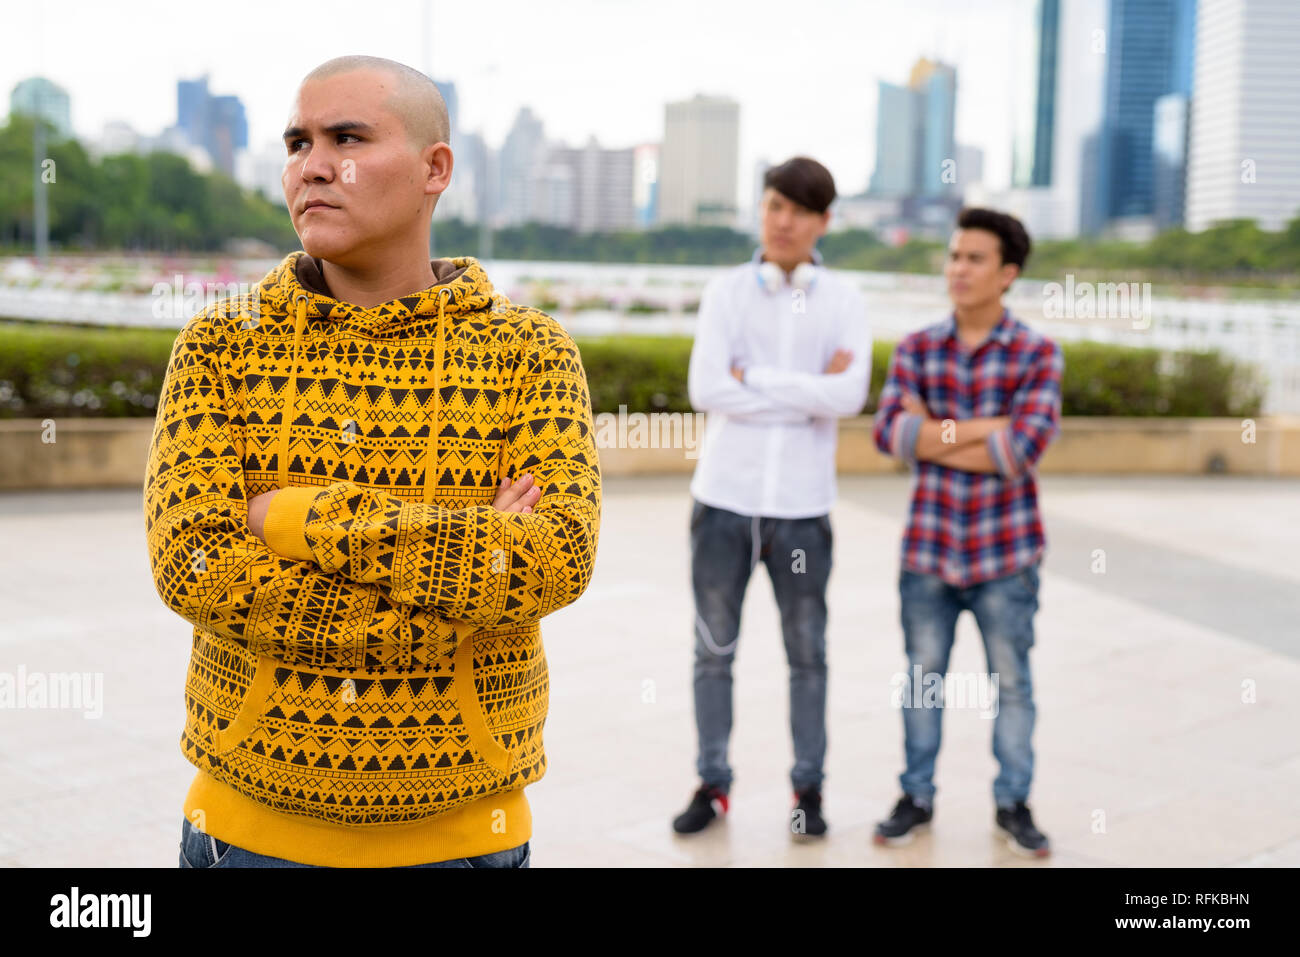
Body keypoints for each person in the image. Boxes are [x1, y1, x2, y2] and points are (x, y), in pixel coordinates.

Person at [146, 55, 601, 868]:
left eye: (347, 137)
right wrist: (456, 597)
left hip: (467, 840)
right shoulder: (220, 347)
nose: (312, 165)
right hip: (246, 836)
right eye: (297, 142)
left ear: (436, 168)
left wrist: (289, 516)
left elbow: (552, 559)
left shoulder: (528, 354)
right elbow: (194, 563)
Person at [672, 157, 871, 839]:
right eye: (774, 206)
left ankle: (808, 791)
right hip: (723, 500)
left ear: (823, 222)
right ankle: (712, 782)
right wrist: (806, 390)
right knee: (712, 651)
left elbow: (848, 397)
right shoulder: (726, 290)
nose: (783, 221)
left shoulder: (845, 299)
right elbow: (707, 389)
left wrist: (753, 376)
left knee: (808, 654)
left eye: (799, 211)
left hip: (803, 509)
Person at [870, 207, 1063, 858]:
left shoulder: (1038, 352)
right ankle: (915, 795)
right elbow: (888, 434)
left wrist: (936, 432)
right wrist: (986, 426)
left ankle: (1014, 802)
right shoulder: (917, 347)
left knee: (1013, 684)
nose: (958, 268)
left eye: (975, 258)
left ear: (1008, 273)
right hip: (929, 548)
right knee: (922, 677)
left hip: (1006, 553)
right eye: (954, 255)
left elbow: (1021, 451)